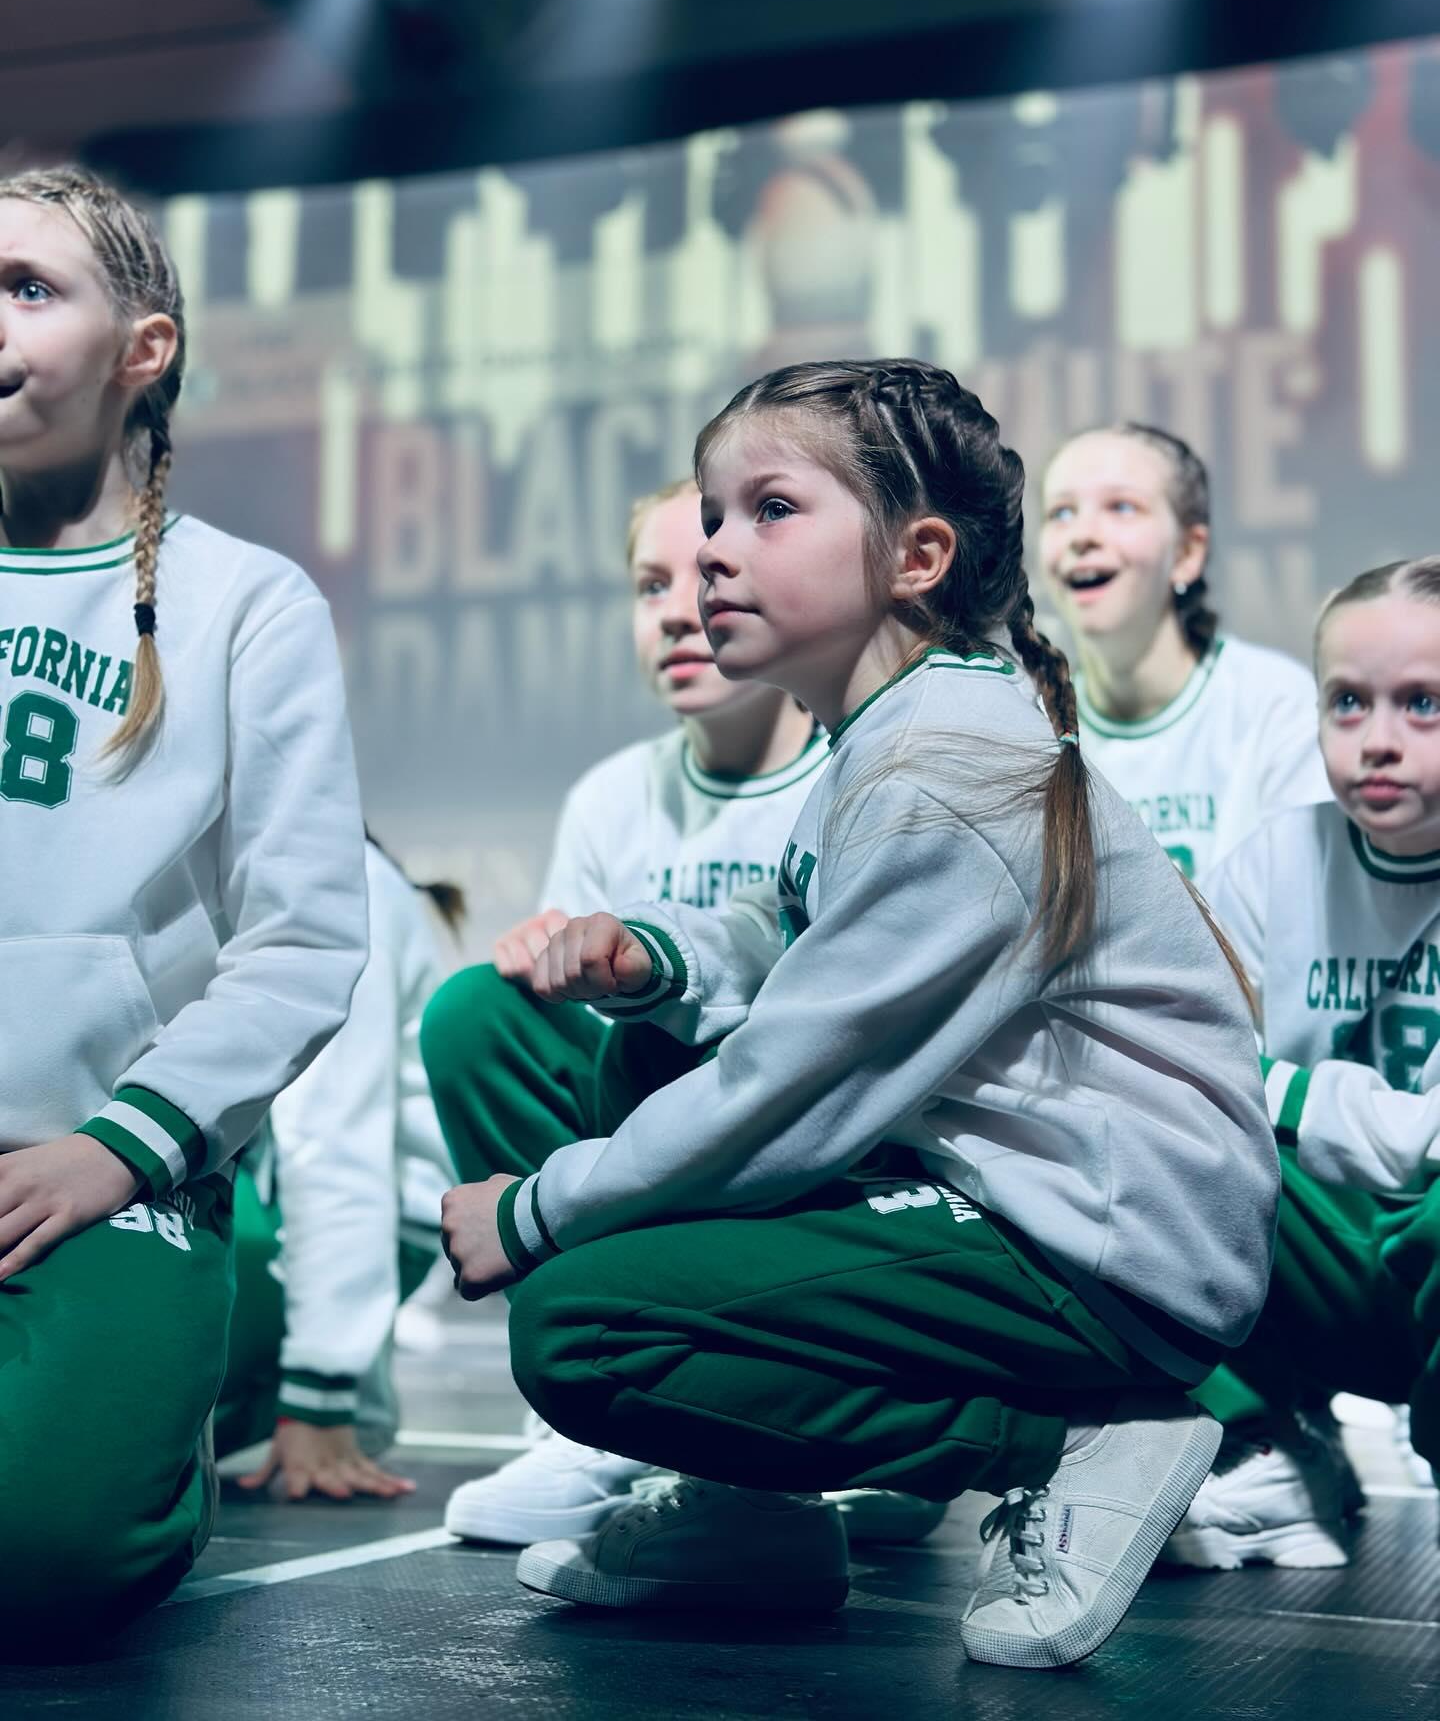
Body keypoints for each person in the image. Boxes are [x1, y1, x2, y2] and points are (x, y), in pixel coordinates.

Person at [441, 359, 1279, 1671]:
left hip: (1095, 1254)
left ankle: (1080, 1441)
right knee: (579, 1039)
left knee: (584, 1330)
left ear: (917, 557)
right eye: (711, 517)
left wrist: (539, 1209)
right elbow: (796, 940)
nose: (715, 553)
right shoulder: (889, 733)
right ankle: (751, 1517)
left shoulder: (946, 768)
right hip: (993, 1191)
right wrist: (655, 956)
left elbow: (790, 1087)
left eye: (770, 510)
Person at [0, 167, 366, 1652]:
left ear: (142, 350)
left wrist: (117, 1148)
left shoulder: (246, 606)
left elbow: (303, 944)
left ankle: (157, 1449)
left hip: (108, 1175)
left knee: (44, 1554)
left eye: (28, 288)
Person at [424, 476, 837, 1546]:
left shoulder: (846, 777)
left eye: (703, 577)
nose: (675, 612)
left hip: (811, 1150)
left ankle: (809, 1406)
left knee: (710, 1044)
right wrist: (552, 960)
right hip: (649, 1136)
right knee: (478, 1013)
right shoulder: (612, 795)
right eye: (650, 585)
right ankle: (592, 1406)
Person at [1164, 556, 1440, 1570]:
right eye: (1348, 702)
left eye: (1423, 704)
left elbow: (1424, 1146)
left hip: (1428, 1257)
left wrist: (1277, 1091)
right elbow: (1184, 1060)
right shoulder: (1274, 864)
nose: (1378, 739)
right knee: (1151, 1141)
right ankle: (1272, 1442)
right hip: (1328, 1258)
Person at [216, 834, 463, 1502]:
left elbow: (335, 1138)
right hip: (276, 1210)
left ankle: (320, 1381)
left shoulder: (340, 879)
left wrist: (322, 1386)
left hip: (343, 1228)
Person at [1040, 422, 1328, 883]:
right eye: (1061, 512)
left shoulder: (1276, 706)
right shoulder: (1035, 729)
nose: (1082, 535)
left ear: (1188, 553)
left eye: (1121, 507)